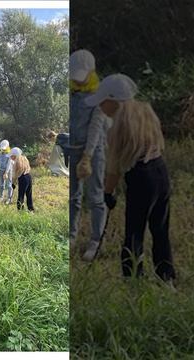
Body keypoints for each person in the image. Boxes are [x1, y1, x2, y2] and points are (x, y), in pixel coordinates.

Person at [84, 73, 176, 283]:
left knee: (133, 232)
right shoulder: (146, 111)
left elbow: (114, 168)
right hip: (160, 173)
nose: (100, 107)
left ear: (113, 101)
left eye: (102, 102)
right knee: (160, 229)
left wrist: (107, 194)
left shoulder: (118, 126)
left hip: (141, 179)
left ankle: (132, 279)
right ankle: (166, 278)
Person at [68, 49, 110, 262]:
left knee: (95, 197)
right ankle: (71, 236)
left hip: (93, 152)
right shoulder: (71, 94)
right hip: (73, 150)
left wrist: (87, 156)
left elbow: (95, 127)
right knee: (73, 196)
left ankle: (96, 240)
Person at [10, 147, 34, 212]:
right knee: (29, 194)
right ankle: (31, 209)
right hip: (29, 176)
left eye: (11, 156)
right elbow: (28, 168)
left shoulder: (16, 162)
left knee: (21, 195)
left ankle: (20, 210)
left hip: (23, 178)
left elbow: (15, 174)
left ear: (15, 155)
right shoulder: (25, 158)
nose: (11, 157)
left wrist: (13, 183)